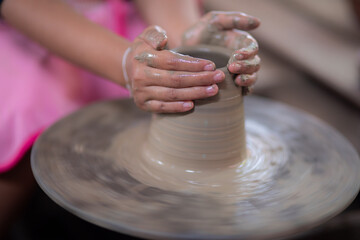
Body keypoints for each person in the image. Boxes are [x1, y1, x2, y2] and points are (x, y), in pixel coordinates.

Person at [0, 0, 260, 238]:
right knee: (25, 112)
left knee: (172, 80)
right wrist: (124, 63)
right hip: (39, 26)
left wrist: (185, 40)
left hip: (131, 20)